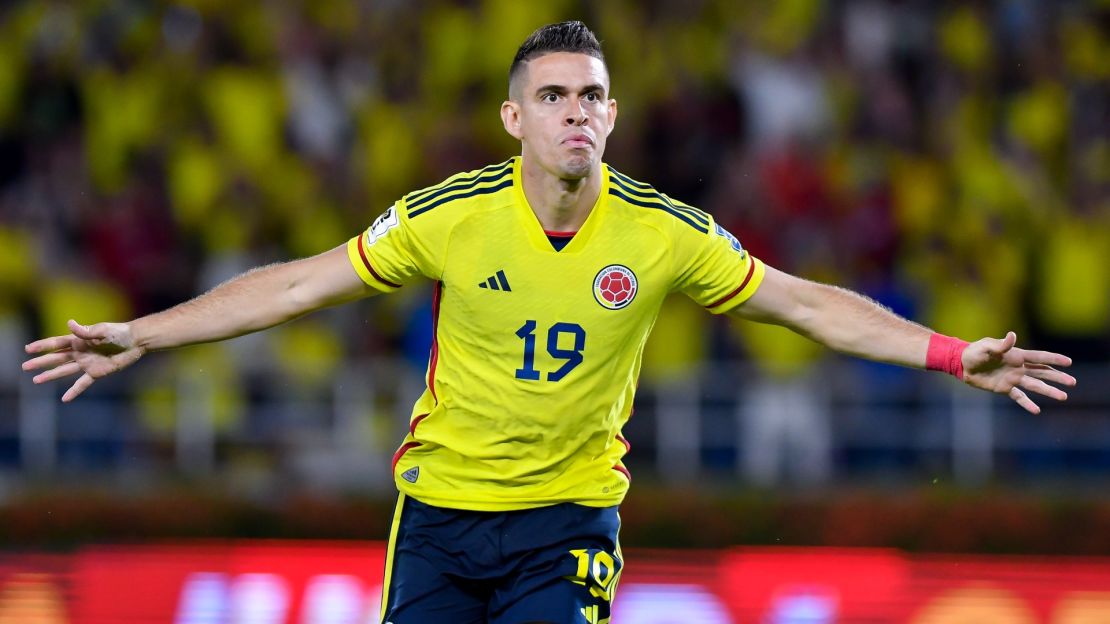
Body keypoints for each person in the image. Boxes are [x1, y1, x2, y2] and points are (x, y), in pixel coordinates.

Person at [21, 21, 1075, 624]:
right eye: (556, 94)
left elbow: (803, 304)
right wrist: (143, 334)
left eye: (594, 95)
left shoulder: (664, 232)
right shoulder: (451, 216)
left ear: (613, 116)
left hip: (566, 526)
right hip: (436, 518)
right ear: (514, 119)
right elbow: (298, 285)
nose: (578, 110)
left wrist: (948, 353)